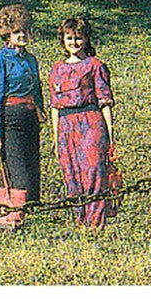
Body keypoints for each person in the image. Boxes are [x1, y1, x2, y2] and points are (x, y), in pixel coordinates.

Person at [49, 15, 115, 228]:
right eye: (69, 38)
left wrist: (110, 136)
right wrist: (55, 137)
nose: (74, 43)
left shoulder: (96, 65)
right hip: (67, 125)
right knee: (72, 174)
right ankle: (80, 222)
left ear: (86, 39)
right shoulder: (57, 68)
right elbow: (54, 107)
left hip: (91, 122)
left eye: (78, 38)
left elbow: (105, 102)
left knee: (94, 172)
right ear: (63, 40)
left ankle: (96, 224)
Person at [0, 4, 47, 204]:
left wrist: (40, 111)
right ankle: (17, 212)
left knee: (32, 166)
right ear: (7, 34)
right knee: (17, 168)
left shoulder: (31, 59)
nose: (22, 35)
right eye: (17, 31)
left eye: (25, 31)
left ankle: (34, 209)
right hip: (11, 117)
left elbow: (37, 89)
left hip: (30, 117)